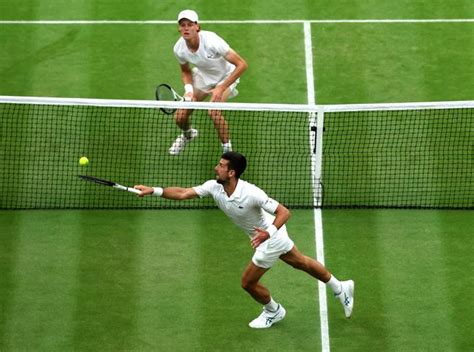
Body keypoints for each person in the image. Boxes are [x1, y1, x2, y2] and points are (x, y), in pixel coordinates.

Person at [134, 152, 354, 328]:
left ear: (231, 172)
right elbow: (183, 193)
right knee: (300, 262)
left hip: (268, 237)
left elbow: (284, 212)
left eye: (220, 165)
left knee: (247, 282)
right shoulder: (214, 186)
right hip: (265, 233)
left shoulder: (251, 193)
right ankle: (340, 287)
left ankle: (273, 311)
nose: (215, 168)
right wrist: (153, 190)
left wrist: (268, 233)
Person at [169, 9, 248, 156]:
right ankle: (188, 134)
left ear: (197, 27)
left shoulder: (212, 41)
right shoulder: (179, 49)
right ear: (179, 28)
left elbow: (242, 64)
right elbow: (186, 71)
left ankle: (228, 153)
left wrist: (221, 87)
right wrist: (189, 91)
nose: (186, 28)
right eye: (183, 25)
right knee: (180, 117)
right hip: (203, 77)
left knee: (213, 111)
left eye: (190, 24)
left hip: (226, 76)